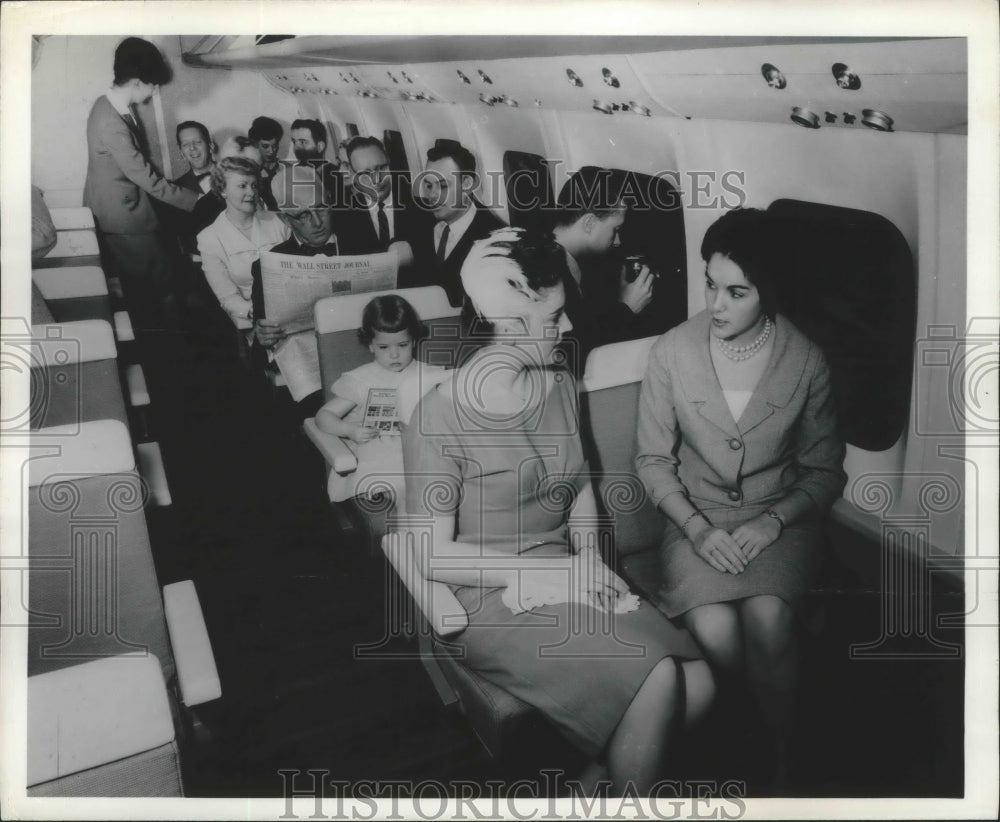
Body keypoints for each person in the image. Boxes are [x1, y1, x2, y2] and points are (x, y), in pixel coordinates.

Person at [400, 228, 713, 795]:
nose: (568, 328)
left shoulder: (559, 384)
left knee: (702, 682)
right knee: (661, 677)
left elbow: (582, 491)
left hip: (568, 569)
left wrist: (589, 559)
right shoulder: (436, 418)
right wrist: (556, 572)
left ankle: (586, 792)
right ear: (513, 322)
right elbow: (430, 555)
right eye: (555, 317)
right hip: (487, 593)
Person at [635, 207, 847, 786]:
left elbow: (825, 472)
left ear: (768, 292)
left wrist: (773, 523)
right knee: (716, 627)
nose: (716, 305)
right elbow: (653, 462)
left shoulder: (806, 359)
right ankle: (744, 722)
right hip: (693, 519)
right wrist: (698, 529)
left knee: (770, 616)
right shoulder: (670, 352)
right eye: (710, 284)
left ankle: (782, 749)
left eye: (737, 292)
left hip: (778, 520)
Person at [83, 36, 198, 333]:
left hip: (123, 206)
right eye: (153, 83)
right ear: (136, 82)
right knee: (159, 287)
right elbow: (147, 178)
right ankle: (169, 355)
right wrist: (198, 201)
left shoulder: (111, 105)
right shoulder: (111, 121)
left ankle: (166, 346)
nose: (155, 89)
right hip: (122, 218)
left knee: (158, 282)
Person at [316, 295, 445, 509]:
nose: (394, 354)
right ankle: (408, 536)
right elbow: (323, 417)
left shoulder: (430, 375)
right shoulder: (363, 380)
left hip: (421, 449)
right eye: (384, 347)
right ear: (370, 346)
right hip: (381, 454)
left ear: (413, 340)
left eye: (402, 344)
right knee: (406, 492)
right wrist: (348, 429)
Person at [549, 167, 657, 371]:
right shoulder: (549, 274)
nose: (617, 241)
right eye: (615, 230)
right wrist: (627, 309)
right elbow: (571, 352)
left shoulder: (559, 259)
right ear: (589, 223)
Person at [196, 154, 289, 331]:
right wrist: (258, 313)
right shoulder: (209, 238)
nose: (252, 192)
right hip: (253, 320)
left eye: (254, 185)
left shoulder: (278, 221)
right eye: (242, 186)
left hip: (292, 306)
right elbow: (228, 297)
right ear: (222, 190)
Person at [406, 142, 506, 306]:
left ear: (467, 184)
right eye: (429, 185)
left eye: (443, 186)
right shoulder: (421, 220)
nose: (433, 195)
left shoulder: (493, 237)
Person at [337, 136, 427, 262]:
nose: (376, 180)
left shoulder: (421, 207)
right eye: (365, 173)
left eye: (381, 168)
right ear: (353, 174)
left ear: (389, 162)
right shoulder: (343, 216)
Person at [290, 118, 341, 206]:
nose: (296, 148)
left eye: (303, 142)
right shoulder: (292, 174)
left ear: (320, 146)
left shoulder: (335, 177)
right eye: (294, 142)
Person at [173, 120, 214, 194]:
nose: (192, 147)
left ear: (211, 146)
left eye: (197, 142)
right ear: (181, 153)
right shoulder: (177, 188)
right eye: (185, 144)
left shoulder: (232, 173)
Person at [249, 115, 284, 180]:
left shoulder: (287, 169)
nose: (271, 151)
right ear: (255, 144)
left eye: (274, 146)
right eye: (265, 146)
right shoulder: (248, 170)